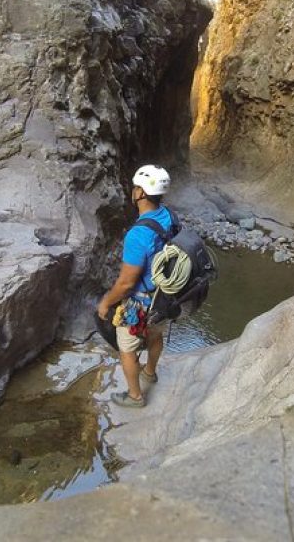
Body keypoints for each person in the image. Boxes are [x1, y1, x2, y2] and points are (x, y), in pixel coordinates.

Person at [97, 165, 175, 408]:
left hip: (141, 301)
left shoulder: (137, 234)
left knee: (127, 348)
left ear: (140, 193)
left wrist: (106, 303)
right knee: (156, 334)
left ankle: (135, 396)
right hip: (165, 296)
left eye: (135, 187)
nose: (133, 191)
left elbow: (126, 283)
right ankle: (149, 373)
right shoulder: (167, 215)